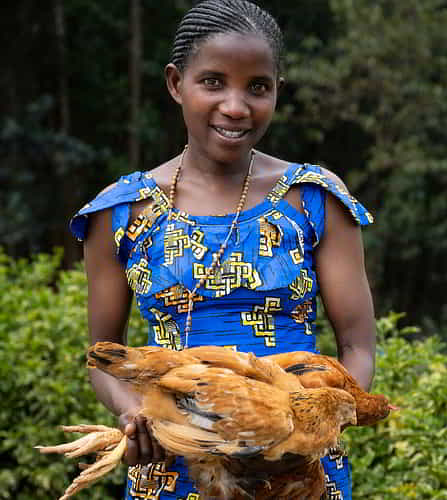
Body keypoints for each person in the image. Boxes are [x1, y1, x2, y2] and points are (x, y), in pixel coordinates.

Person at [70, 1, 376, 498]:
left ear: (277, 91)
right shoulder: (122, 212)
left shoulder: (314, 199)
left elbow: (358, 347)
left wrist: (305, 425)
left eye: (258, 87)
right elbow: (103, 357)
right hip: (174, 466)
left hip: (296, 473)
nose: (236, 106)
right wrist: (134, 415)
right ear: (175, 84)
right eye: (213, 81)